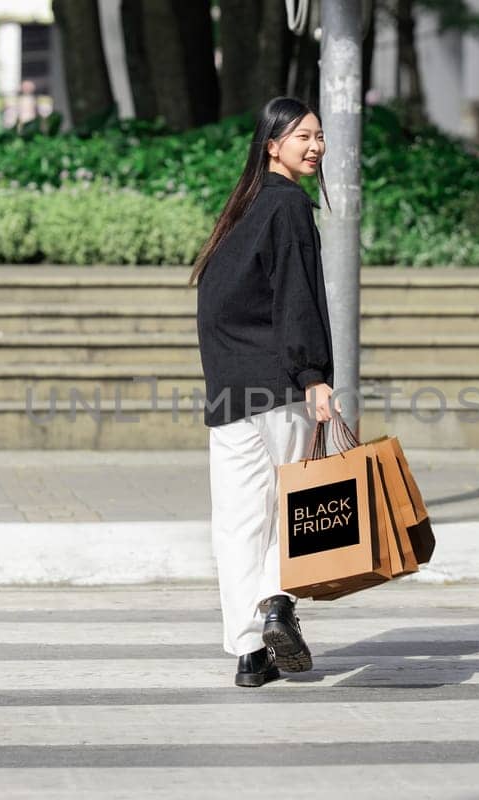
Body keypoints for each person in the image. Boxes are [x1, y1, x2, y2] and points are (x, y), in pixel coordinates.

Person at [190, 96, 336, 688]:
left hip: (228, 394)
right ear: (271, 145)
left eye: (320, 136)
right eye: (304, 136)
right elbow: (295, 301)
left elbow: (216, 307)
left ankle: (250, 657)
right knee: (294, 511)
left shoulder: (240, 211)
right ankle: (278, 603)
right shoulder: (289, 208)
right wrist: (315, 377)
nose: (316, 145)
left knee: (239, 523)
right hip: (277, 388)